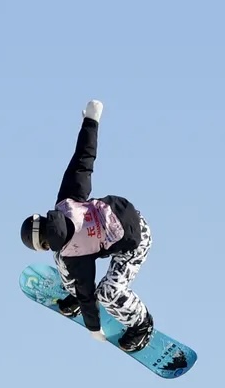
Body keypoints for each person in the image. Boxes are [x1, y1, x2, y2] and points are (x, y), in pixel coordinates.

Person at [19, 99, 156, 353]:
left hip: (136, 243)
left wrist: (94, 328)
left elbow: (88, 296)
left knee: (108, 292)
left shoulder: (75, 256)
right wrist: (91, 120)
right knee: (64, 262)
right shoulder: (67, 200)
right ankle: (76, 290)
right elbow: (83, 158)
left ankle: (142, 325)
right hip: (126, 218)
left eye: (45, 246)